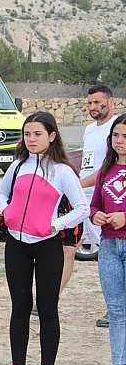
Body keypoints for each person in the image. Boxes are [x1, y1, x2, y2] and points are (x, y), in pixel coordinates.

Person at [0, 111, 88, 365]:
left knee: (48, 309)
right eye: (27, 134)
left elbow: (82, 208)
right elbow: (0, 193)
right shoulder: (17, 166)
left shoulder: (62, 171)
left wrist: (54, 225)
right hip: (16, 245)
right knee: (19, 308)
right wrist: (8, 212)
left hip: (48, 246)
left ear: (51, 136)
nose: (31, 139)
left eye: (37, 134)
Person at [61, 85, 117, 328]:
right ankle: (48, 301)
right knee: (67, 249)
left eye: (98, 103)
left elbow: (108, 166)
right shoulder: (89, 130)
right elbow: (87, 161)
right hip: (80, 199)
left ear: (110, 102)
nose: (94, 107)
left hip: (100, 199)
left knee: (110, 255)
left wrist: (79, 184)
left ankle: (115, 308)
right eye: (90, 103)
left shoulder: (117, 130)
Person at [89, 114, 126, 365]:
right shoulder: (106, 170)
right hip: (109, 247)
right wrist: (97, 216)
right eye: (116, 136)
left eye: (125, 136)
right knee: (116, 311)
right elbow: (93, 206)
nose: (120, 141)